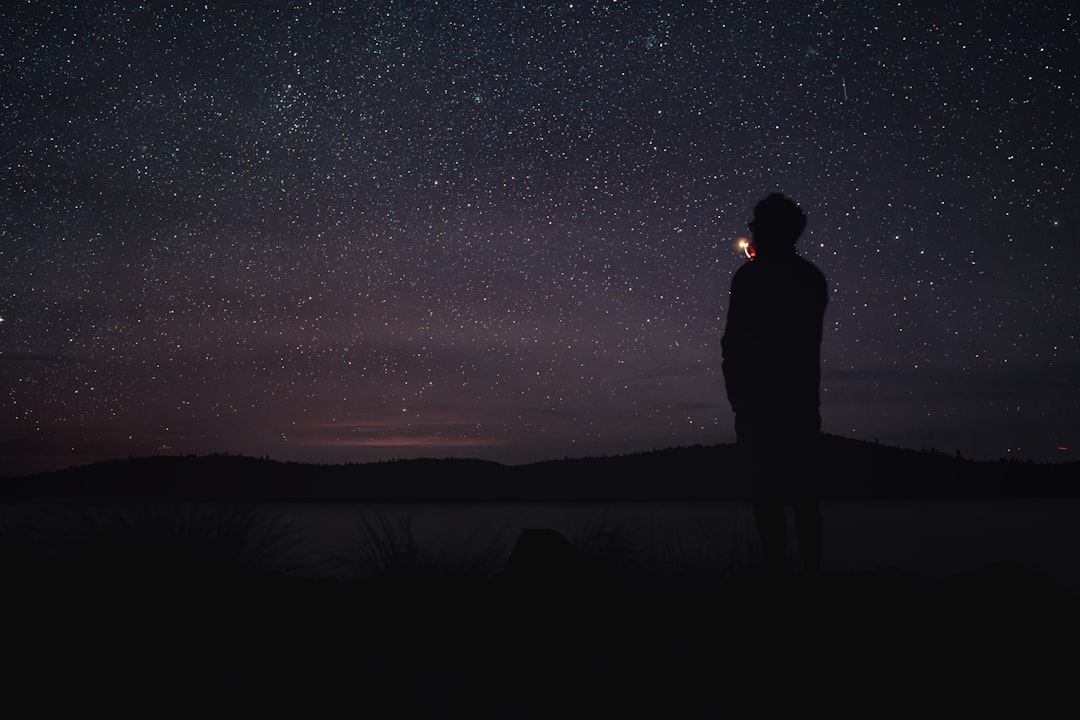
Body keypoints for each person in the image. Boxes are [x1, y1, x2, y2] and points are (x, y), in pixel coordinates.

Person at [721, 193, 827, 576]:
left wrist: (737, 392)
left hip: (760, 400)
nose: (751, 230)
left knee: (769, 495)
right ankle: (810, 576)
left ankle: (777, 578)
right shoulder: (810, 277)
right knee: (801, 495)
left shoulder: (752, 277)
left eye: (757, 224)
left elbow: (737, 339)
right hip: (798, 399)